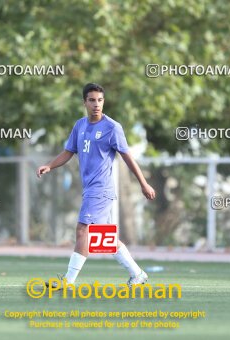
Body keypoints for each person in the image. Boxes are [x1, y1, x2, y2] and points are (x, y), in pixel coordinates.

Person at [36, 83, 156, 287]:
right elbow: (68, 152)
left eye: (100, 100)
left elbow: (127, 157)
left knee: (83, 230)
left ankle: (68, 281)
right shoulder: (80, 125)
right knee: (104, 241)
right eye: (92, 100)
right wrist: (49, 165)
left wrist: (144, 184)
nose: (96, 104)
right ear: (84, 102)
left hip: (101, 189)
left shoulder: (112, 127)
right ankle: (138, 274)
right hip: (90, 188)